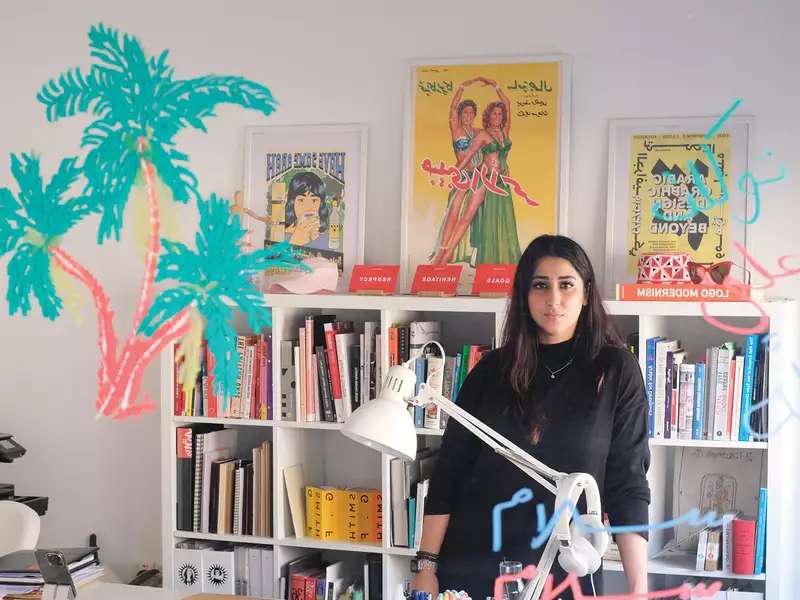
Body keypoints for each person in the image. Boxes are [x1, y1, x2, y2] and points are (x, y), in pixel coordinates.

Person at [412, 235, 650, 600]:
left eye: (566, 285)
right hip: (475, 563)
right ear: (524, 294)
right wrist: (426, 567)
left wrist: (638, 587)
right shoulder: (492, 369)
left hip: (564, 569)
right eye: (540, 285)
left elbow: (628, 482)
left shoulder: (616, 370)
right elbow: (449, 473)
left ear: (586, 293)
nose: (553, 299)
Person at [436, 79, 521, 266]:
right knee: (459, 211)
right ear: (488, 116)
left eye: (500, 114)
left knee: (490, 216)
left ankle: (497, 258)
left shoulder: (483, 131)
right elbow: (469, 156)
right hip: (477, 177)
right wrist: (462, 86)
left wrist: (495, 85)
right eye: (494, 114)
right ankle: (445, 252)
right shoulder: (466, 131)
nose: (497, 117)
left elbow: (508, 104)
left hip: (496, 179)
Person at [429, 77, 486, 265]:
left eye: (471, 112)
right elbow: (452, 108)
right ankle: (442, 252)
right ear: (461, 114)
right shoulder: (456, 128)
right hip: (463, 175)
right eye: (465, 112)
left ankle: (451, 251)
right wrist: (463, 86)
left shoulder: (478, 132)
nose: (468, 115)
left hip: (478, 175)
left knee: (467, 214)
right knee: (454, 210)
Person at [284, 170, 331, 249]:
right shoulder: (279, 234)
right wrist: (296, 240)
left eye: (314, 200)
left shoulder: (327, 238)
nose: (307, 207)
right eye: (301, 200)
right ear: (292, 202)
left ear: (321, 204)